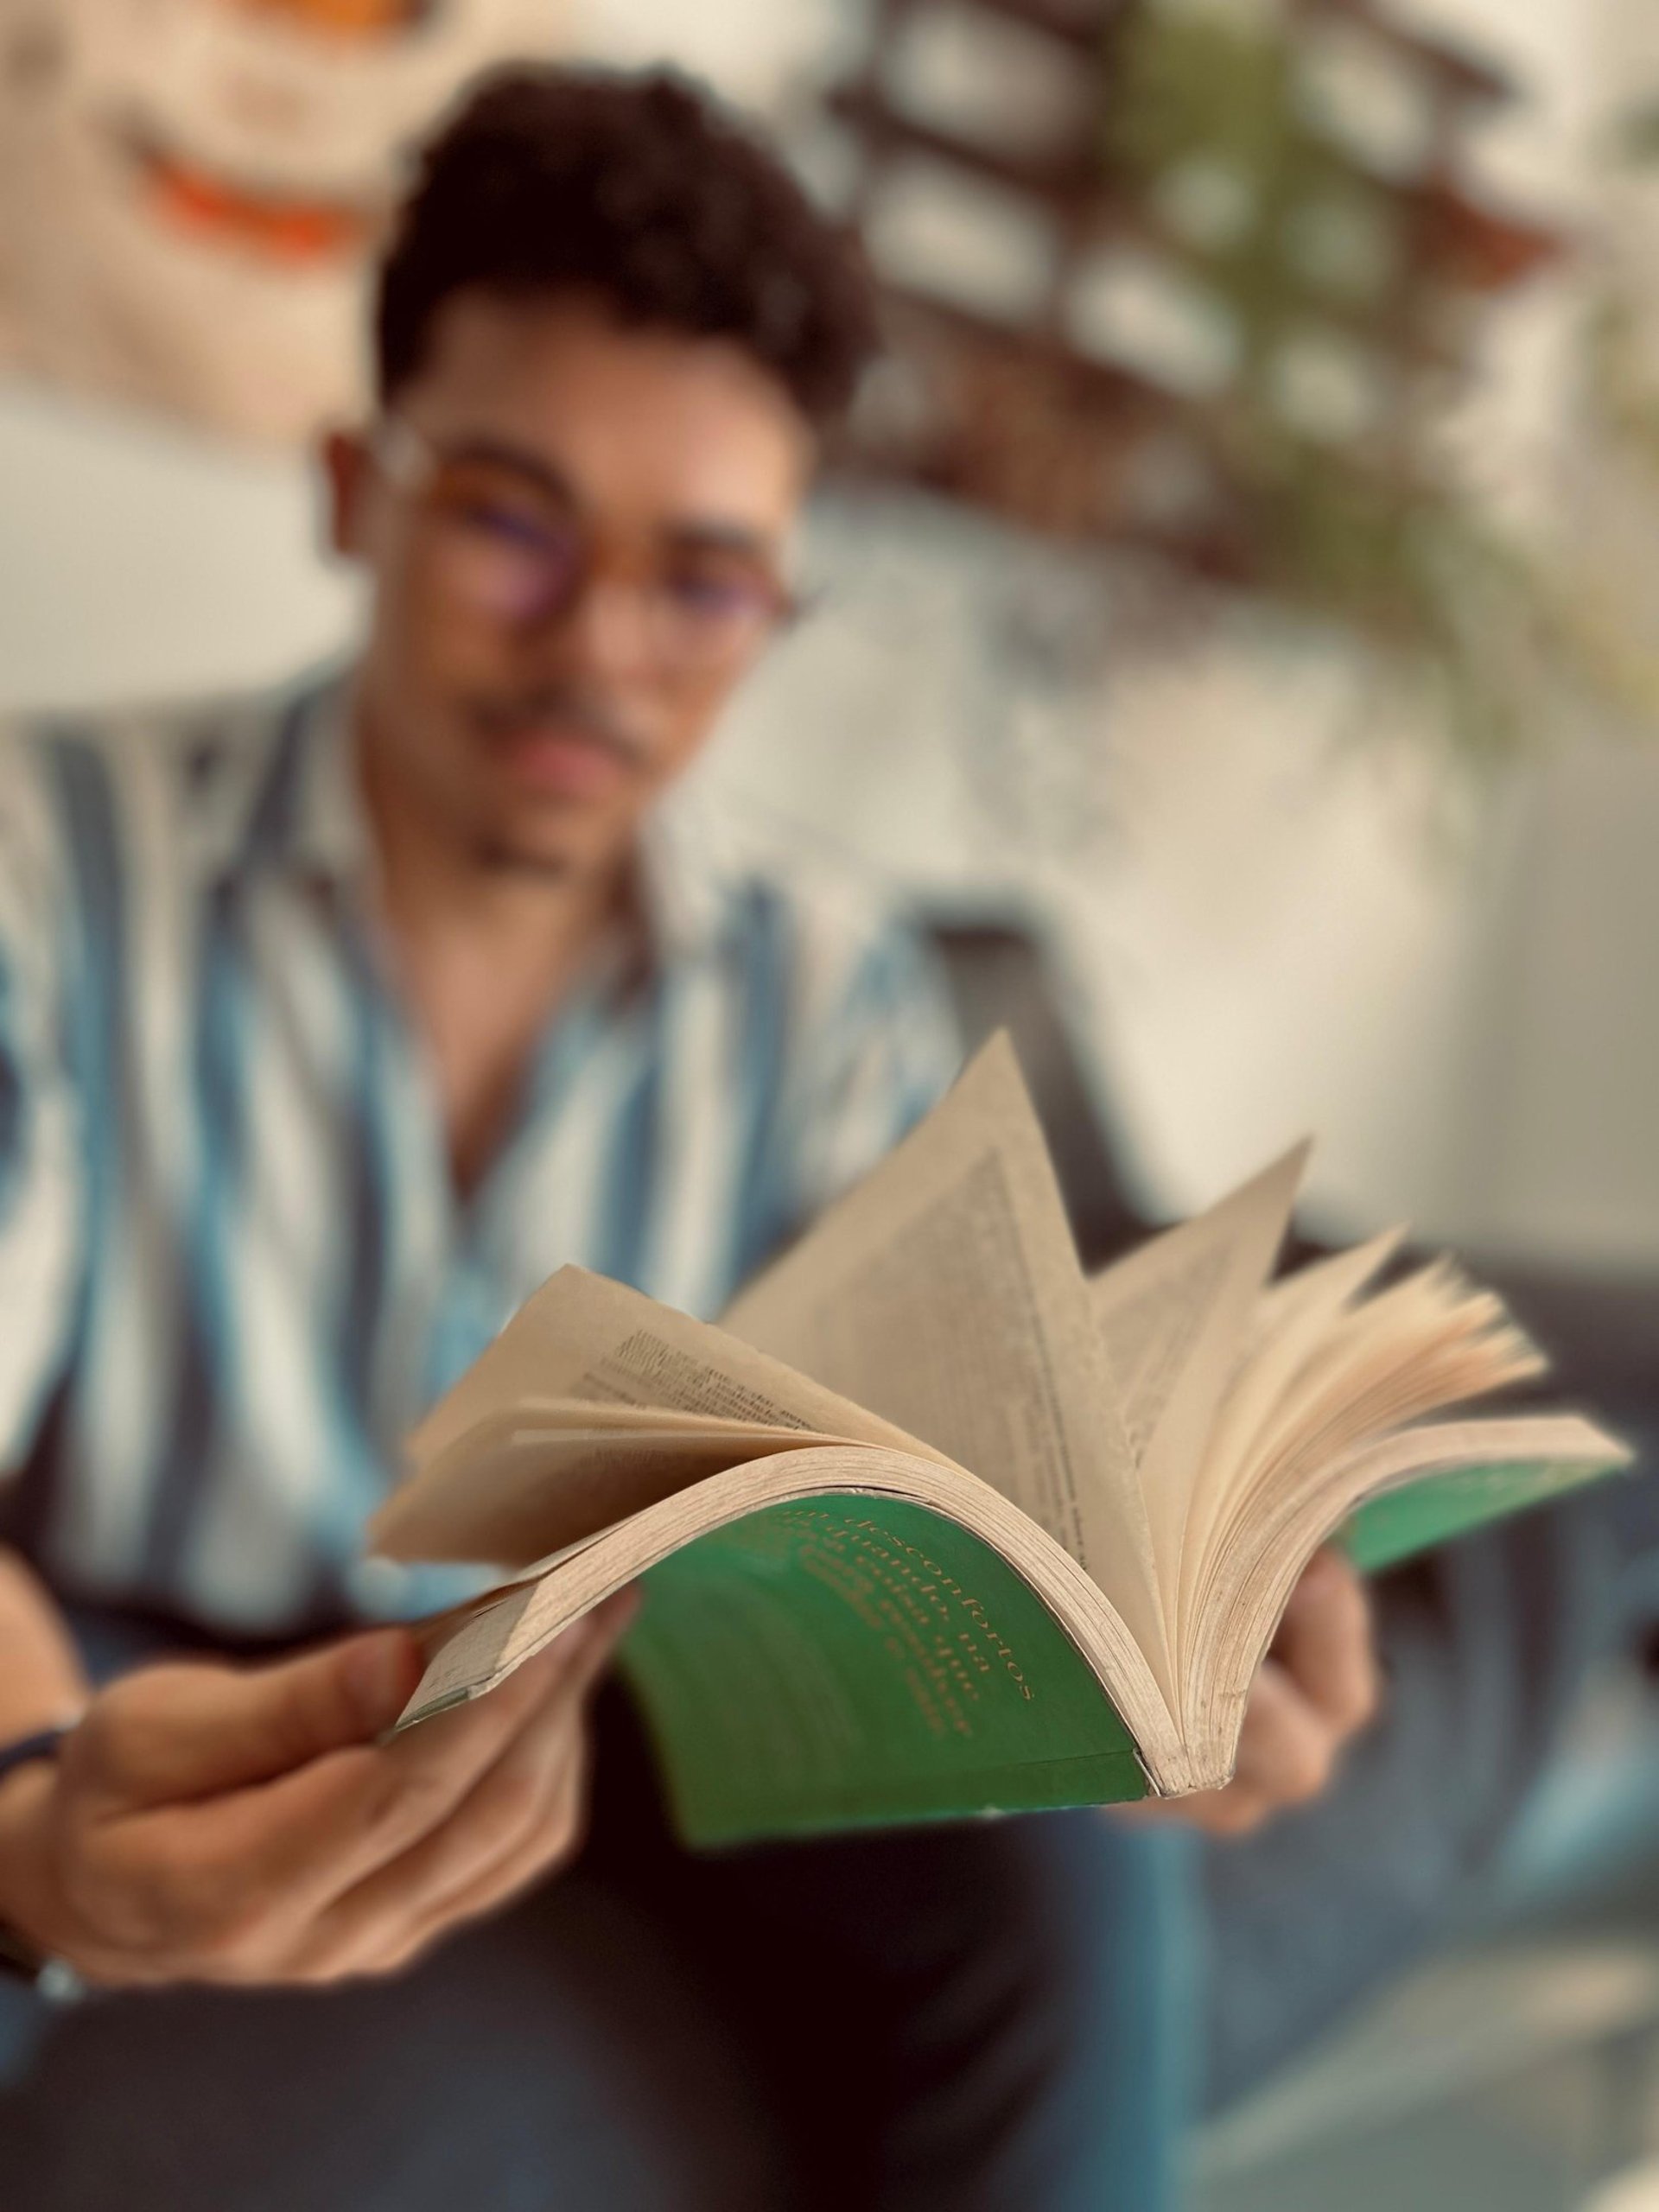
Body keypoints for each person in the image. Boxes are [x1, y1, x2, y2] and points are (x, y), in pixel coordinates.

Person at [0, 66, 1382, 2209]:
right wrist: (30, 1789)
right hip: (128, 1657)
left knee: (1082, 1876)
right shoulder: (47, 869)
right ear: (358, 487)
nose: (602, 649)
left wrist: (1126, 1613)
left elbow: (906, 1462)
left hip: (617, 1707)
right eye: (514, 519)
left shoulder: (827, 985)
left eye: (710, 577)